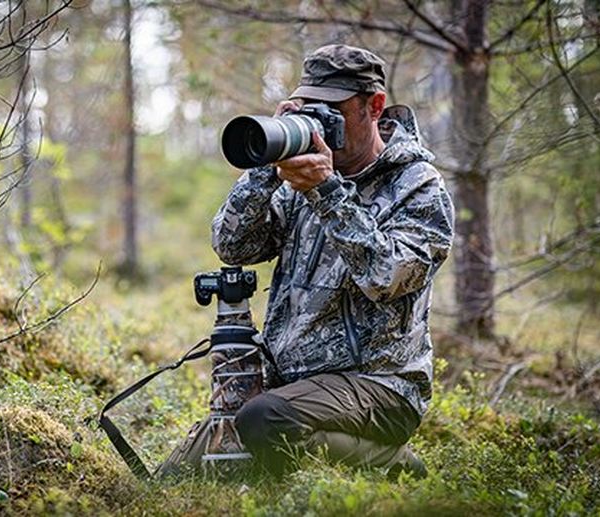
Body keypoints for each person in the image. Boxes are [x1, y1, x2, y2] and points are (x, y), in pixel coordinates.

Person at [160, 44, 454, 479]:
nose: (319, 123)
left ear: (373, 107)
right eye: (310, 109)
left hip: (380, 385)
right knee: (186, 468)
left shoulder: (418, 188)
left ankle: (391, 464)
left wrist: (327, 191)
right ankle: (275, 455)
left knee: (262, 422)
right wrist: (266, 167)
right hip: (292, 387)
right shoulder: (301, 178)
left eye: (333, 109)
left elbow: (385, 277)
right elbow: (232, 244)